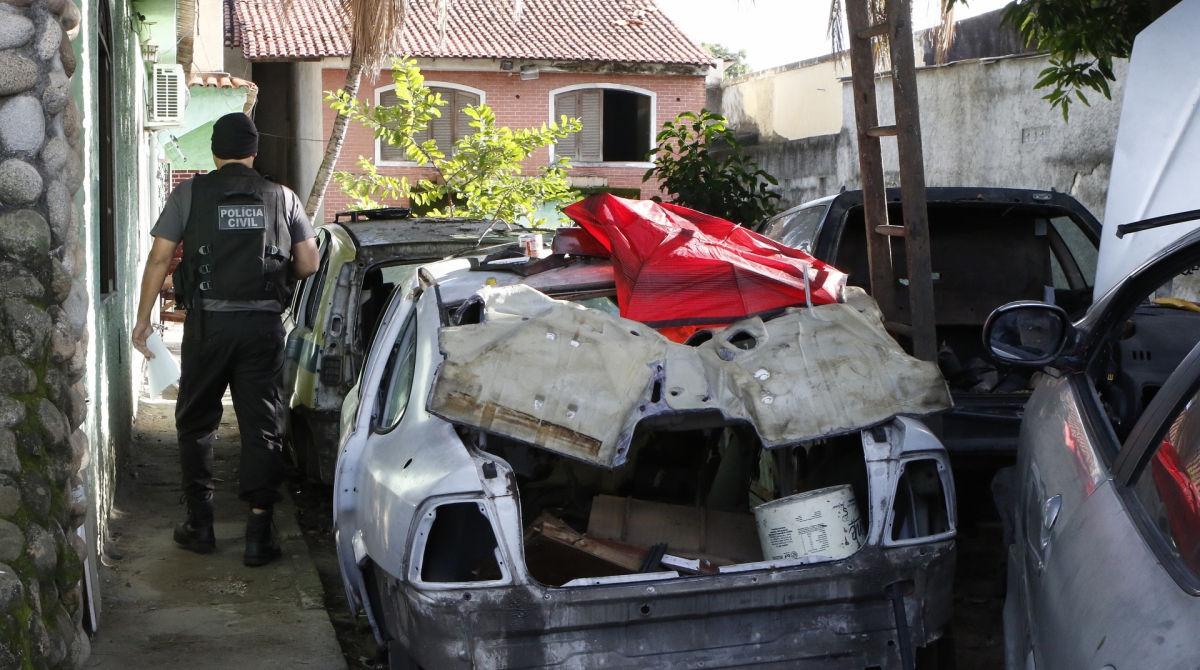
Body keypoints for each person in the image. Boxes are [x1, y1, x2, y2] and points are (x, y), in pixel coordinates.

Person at [132, 113, 319, 567]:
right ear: (254, 152)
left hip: (207, 326)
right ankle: (258, 533)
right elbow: (309, 263)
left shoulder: (189, 193)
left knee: (197, 422)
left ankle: (201, 524)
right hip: (262, 329)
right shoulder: (284, 197)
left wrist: (143, 320)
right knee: (262, 425)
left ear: (214, 152)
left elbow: (159, 259)